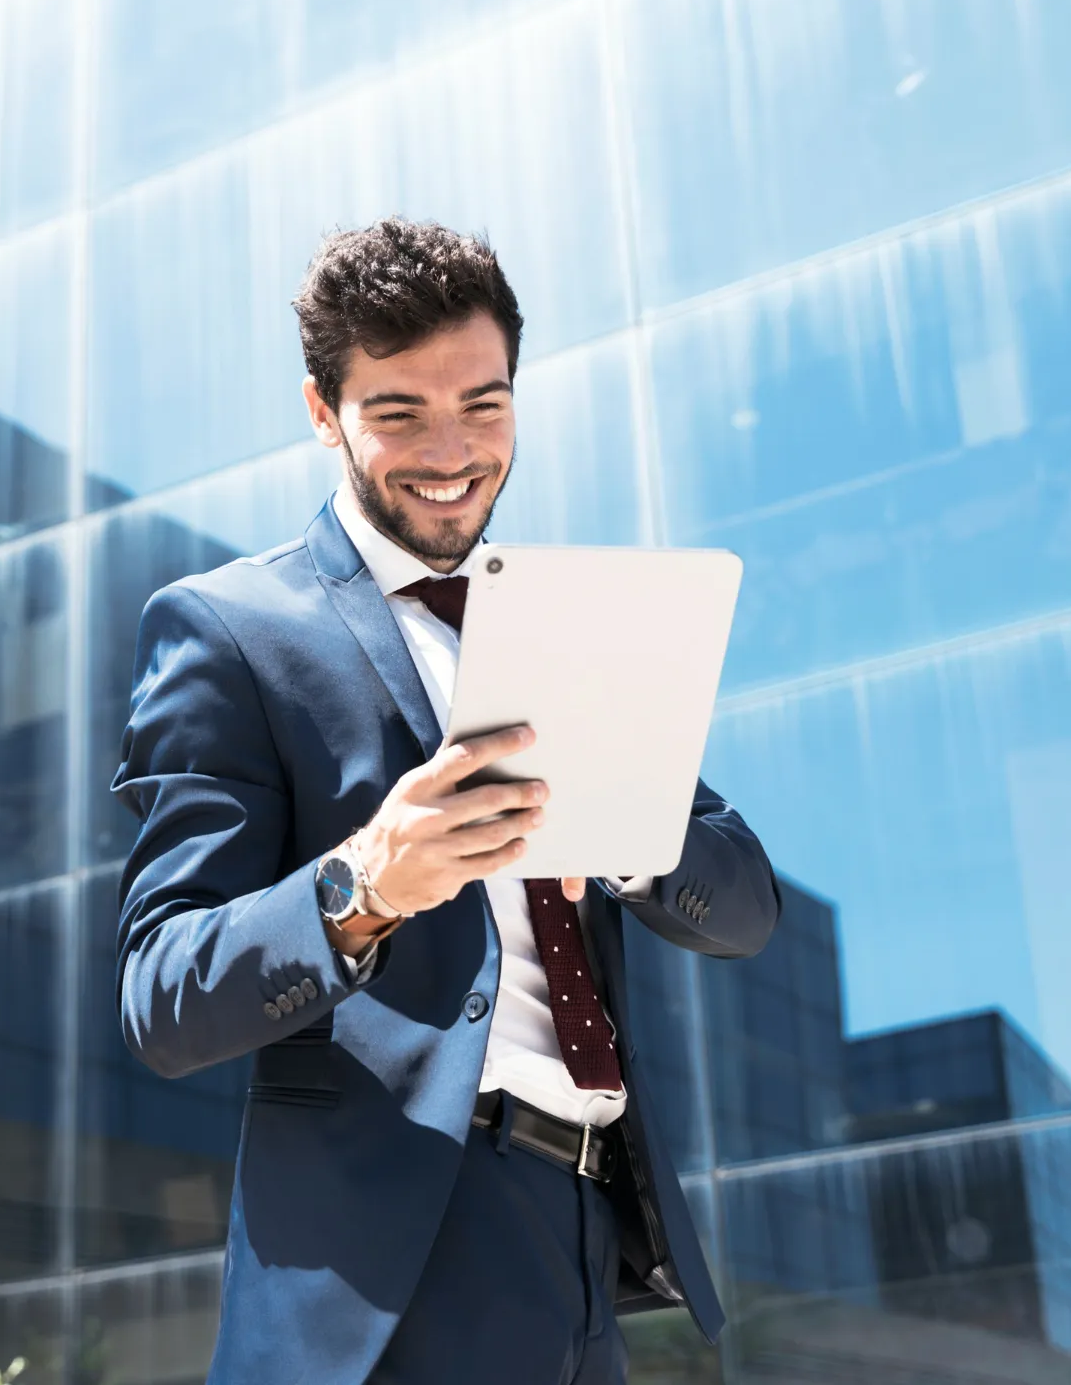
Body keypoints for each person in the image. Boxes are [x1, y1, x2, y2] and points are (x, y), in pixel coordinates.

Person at [112, 218, 780, 1384]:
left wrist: (622, 840)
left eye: (484, 405)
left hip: (589, 1235)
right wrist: (363, 888)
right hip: (398, 1261)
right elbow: (163, 996)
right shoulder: (227, 630)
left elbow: (746, 908)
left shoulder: (574, 620)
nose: (453, 451)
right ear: (324, 412)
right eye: (399, 413)